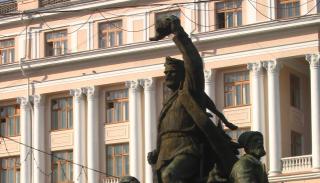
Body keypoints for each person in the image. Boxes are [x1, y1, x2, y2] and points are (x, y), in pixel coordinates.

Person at [147, 15, 238, 183]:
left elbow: (194, 63)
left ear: (183, 75)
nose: (167, 76)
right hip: (165, 155)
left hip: (187, 149)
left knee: (170, 177)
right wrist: (157, 150)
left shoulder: (190, 92)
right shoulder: (169, 102)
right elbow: (164, 133)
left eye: (171, 73)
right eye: (166, 73)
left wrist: (178, 33)